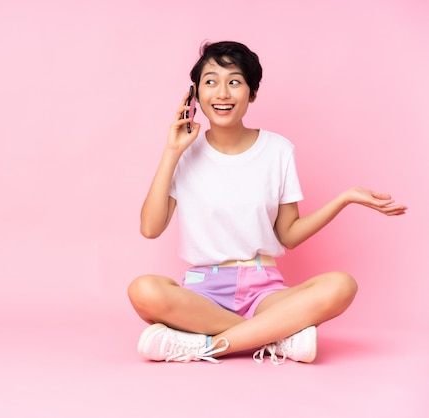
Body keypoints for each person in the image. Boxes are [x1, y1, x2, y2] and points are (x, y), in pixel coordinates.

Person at [127, 41, 407, 365]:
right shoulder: (184, 153)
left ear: (252, 93)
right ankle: (275, 337)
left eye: (234, 81)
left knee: (341, 285)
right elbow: (150, 227)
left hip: (264, 292)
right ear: (195, 95)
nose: (222, 93)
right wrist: (172, 151)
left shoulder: (278, 150)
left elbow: (288, 234)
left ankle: (204, 346)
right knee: (144, 290)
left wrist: (344, 199)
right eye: (210, 82)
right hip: (202, 293)